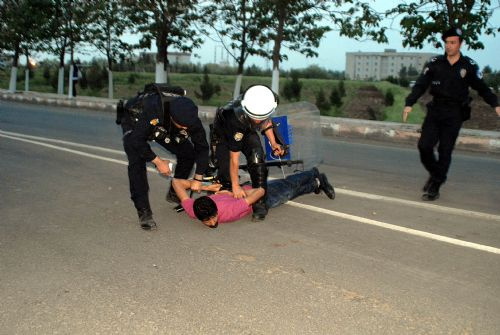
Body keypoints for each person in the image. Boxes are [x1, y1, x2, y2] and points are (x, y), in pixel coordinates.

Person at [403, 27, 500, 201]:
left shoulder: (469, 66)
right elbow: (420, 84)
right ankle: (438, 175)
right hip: (436, 109)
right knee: (424, 146)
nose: (449, 46)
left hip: (455, 112)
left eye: (453, 42)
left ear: (460, 44)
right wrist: (409, 102)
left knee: (445, 150)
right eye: (447, 42)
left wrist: (496, 104)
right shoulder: (435, 63)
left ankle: (434, 187)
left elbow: (483, 88)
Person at [117, 84, 209, 230]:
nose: (186, 129)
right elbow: (137, 140)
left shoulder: (190, 118)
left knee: (188, 152)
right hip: (135, 121)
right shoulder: (154, 109)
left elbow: (202, 148)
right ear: (172, 117)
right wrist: (157, 161)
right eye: (182, 126)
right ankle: (144, 212)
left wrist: (198, 178)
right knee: (137, 162)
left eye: (188, 126)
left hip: (163, 126)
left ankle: (175, 191)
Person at [211, 85, 286, 221]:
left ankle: (260, 202)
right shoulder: (235, 119)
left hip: (246, 128)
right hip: (224, 133)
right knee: (227, 176)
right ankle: (228, 197)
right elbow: (235, 158)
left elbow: (265, 121)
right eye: (256, 117)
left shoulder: (261, 98)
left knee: (257, 156)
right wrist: (235, 186)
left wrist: (274, 143)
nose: (259, 120)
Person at [172, 168, 335, 228]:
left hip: (255, 196)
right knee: (291, 194)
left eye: (213, 218)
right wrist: (208, 188)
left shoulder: (229, 211)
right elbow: (176, 182)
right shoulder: (194, 210)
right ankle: (316, 184)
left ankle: (313, 173)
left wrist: (205, 187)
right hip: (244, 196)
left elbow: (260, 192)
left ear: (216, 211)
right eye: (206, 221)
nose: (212, 222)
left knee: (288, 187)